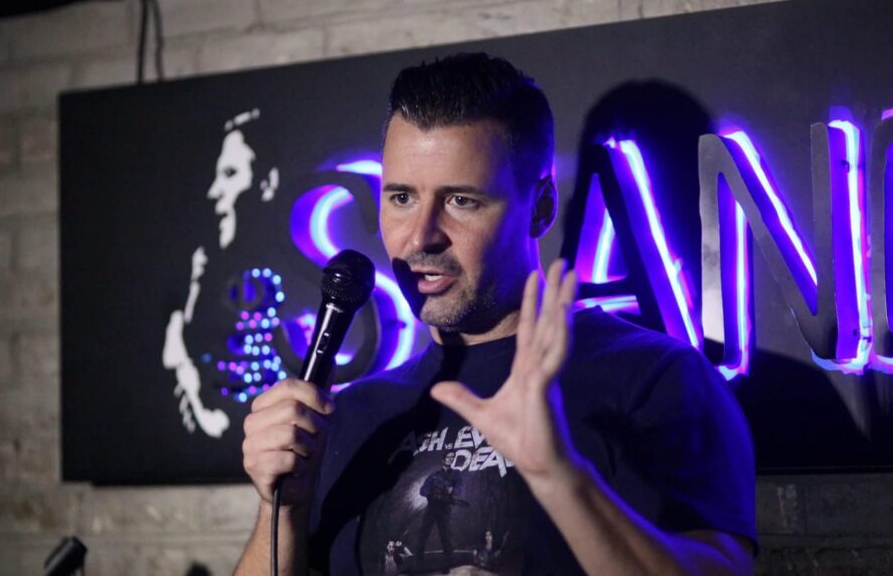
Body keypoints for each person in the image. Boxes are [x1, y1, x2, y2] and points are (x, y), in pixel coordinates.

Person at [235, 52, 755, 575]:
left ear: (542, 205)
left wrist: (559, 477)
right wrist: (280, 506)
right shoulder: (354, 415)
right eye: (400, 198)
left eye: (461, 200)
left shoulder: (652, 378)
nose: (420, 237)